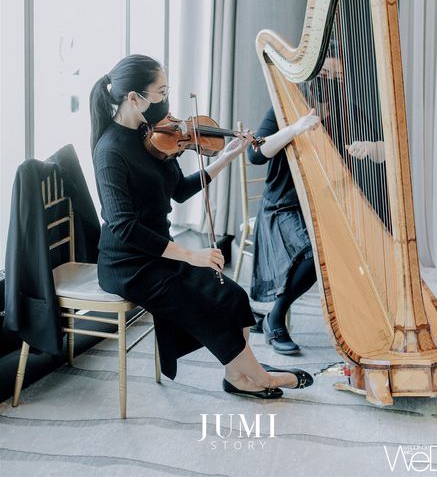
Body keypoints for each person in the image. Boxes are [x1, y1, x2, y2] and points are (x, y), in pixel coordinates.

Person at [89, 53, 314, 399]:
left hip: (161, 250)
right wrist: (190, 256)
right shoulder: (110, 152)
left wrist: (226, 156)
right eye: (160, 93)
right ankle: (260, 377)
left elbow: (179, 191)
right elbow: (124, 228)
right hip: (128, 263)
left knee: (232, 296)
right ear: (134, 98)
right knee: (202, 303)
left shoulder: (151, 136)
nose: (165, 100)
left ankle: (238, 375)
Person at [247, 105, 320, 355]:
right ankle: (275, 319)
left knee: (336, 250)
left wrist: (371, 148)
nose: (336, 73)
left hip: (321, 206)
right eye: (329, 69)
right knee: (316, 253)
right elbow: (255, 154)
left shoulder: (344, 108)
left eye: (338, 70)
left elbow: (380, 146)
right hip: (281, 205)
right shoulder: (281, 107)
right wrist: (295, 128)